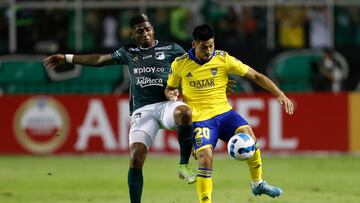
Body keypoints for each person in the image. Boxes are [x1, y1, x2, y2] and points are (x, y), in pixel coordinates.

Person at [44, 13, 196, 203]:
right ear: (133, 35)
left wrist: (177, 88)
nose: (145, 33)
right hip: (143, 110)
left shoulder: (171, 48)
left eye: (147, 29)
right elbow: (99, 60)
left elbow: (193, 69)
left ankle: (183, 165)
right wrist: (66, 58)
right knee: (135, 158)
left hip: (167, 105)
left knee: (185, 112)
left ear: (153, 30)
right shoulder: (128, 51)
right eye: (139, 31)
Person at [165, 24, 294, 203]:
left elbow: (255, 76)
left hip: (224, 114)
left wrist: (279, 94)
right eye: (204, 46)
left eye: (211, 45)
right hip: (200, 120)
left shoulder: (223, 59)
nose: (209, 50)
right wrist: (171, 93)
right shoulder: (180, 64)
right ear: (194, 44)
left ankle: (258, 183)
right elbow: (169, 88)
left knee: (248, 134)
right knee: (205, 159)